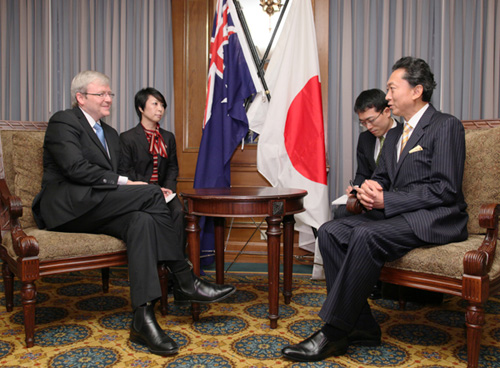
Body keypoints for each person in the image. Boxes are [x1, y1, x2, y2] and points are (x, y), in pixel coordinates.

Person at [32, 71, 236, 357]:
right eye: (101, 94)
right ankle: (184, 278)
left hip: (98, 206)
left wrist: (128, 185)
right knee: (152, 193)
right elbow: (75, 169)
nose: (108, 99)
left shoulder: (112, 134)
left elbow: (115, 173)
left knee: (141, 221)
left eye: (110, 94)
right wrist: (129, 184)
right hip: (66, 209)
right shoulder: (64, 121)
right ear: (80, 98)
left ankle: (143, 318)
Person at [281, 57, 468, 362]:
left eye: (392, 89)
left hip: (437, 218)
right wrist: (368, 189)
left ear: (417, 90)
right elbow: (382, 177)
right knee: (329, 232)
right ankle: (364, 326)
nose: (388, 96)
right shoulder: (395, 134)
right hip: (400, 215)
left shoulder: (446, 126)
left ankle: (334, 331)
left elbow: (445, 190)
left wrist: (388, 201)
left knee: (366, 235)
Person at [119, 88, 184, 248]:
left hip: (164, 191)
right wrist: (151, 189)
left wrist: (168, 189)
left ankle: (176, 261)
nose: (160, 109)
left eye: (162, 105)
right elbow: (126, 172)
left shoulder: (168, 137)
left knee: (178, 212)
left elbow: (172, 168)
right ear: (141, 108)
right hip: (140, 191)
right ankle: (155, 258)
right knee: (150, 216)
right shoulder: (128, 138)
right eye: (155, 104)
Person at [333, 88, 400, 220]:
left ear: (386, 112)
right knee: (340, 213)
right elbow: (363, 173)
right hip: (368, 199)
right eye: (363, 123)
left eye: (371, 120)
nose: (368, 127)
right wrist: (355, 189)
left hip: (392, 201)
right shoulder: (365, 138)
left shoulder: (404, 135)